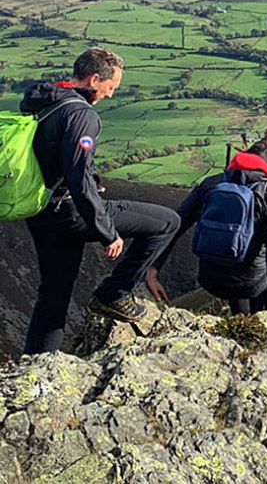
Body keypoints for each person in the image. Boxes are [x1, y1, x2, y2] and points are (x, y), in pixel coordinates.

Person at [20, 48, 181, 354]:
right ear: (95, 79)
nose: (109, 96)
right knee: (167, 222)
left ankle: (34, 369)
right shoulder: (82, 115)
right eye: (110, 88)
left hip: (41, 212)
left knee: (53, 297)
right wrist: (107, 231)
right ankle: (114, 294)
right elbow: (79, 179)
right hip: (71, 212)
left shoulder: (45, 102)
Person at [146, 140, 267, 316]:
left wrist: (153, 269)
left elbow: (176, 223)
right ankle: (252, 324)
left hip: (210, 279)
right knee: (257, 273)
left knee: (236, 278)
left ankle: (241, 320)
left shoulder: (209, 184)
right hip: (251, 284)